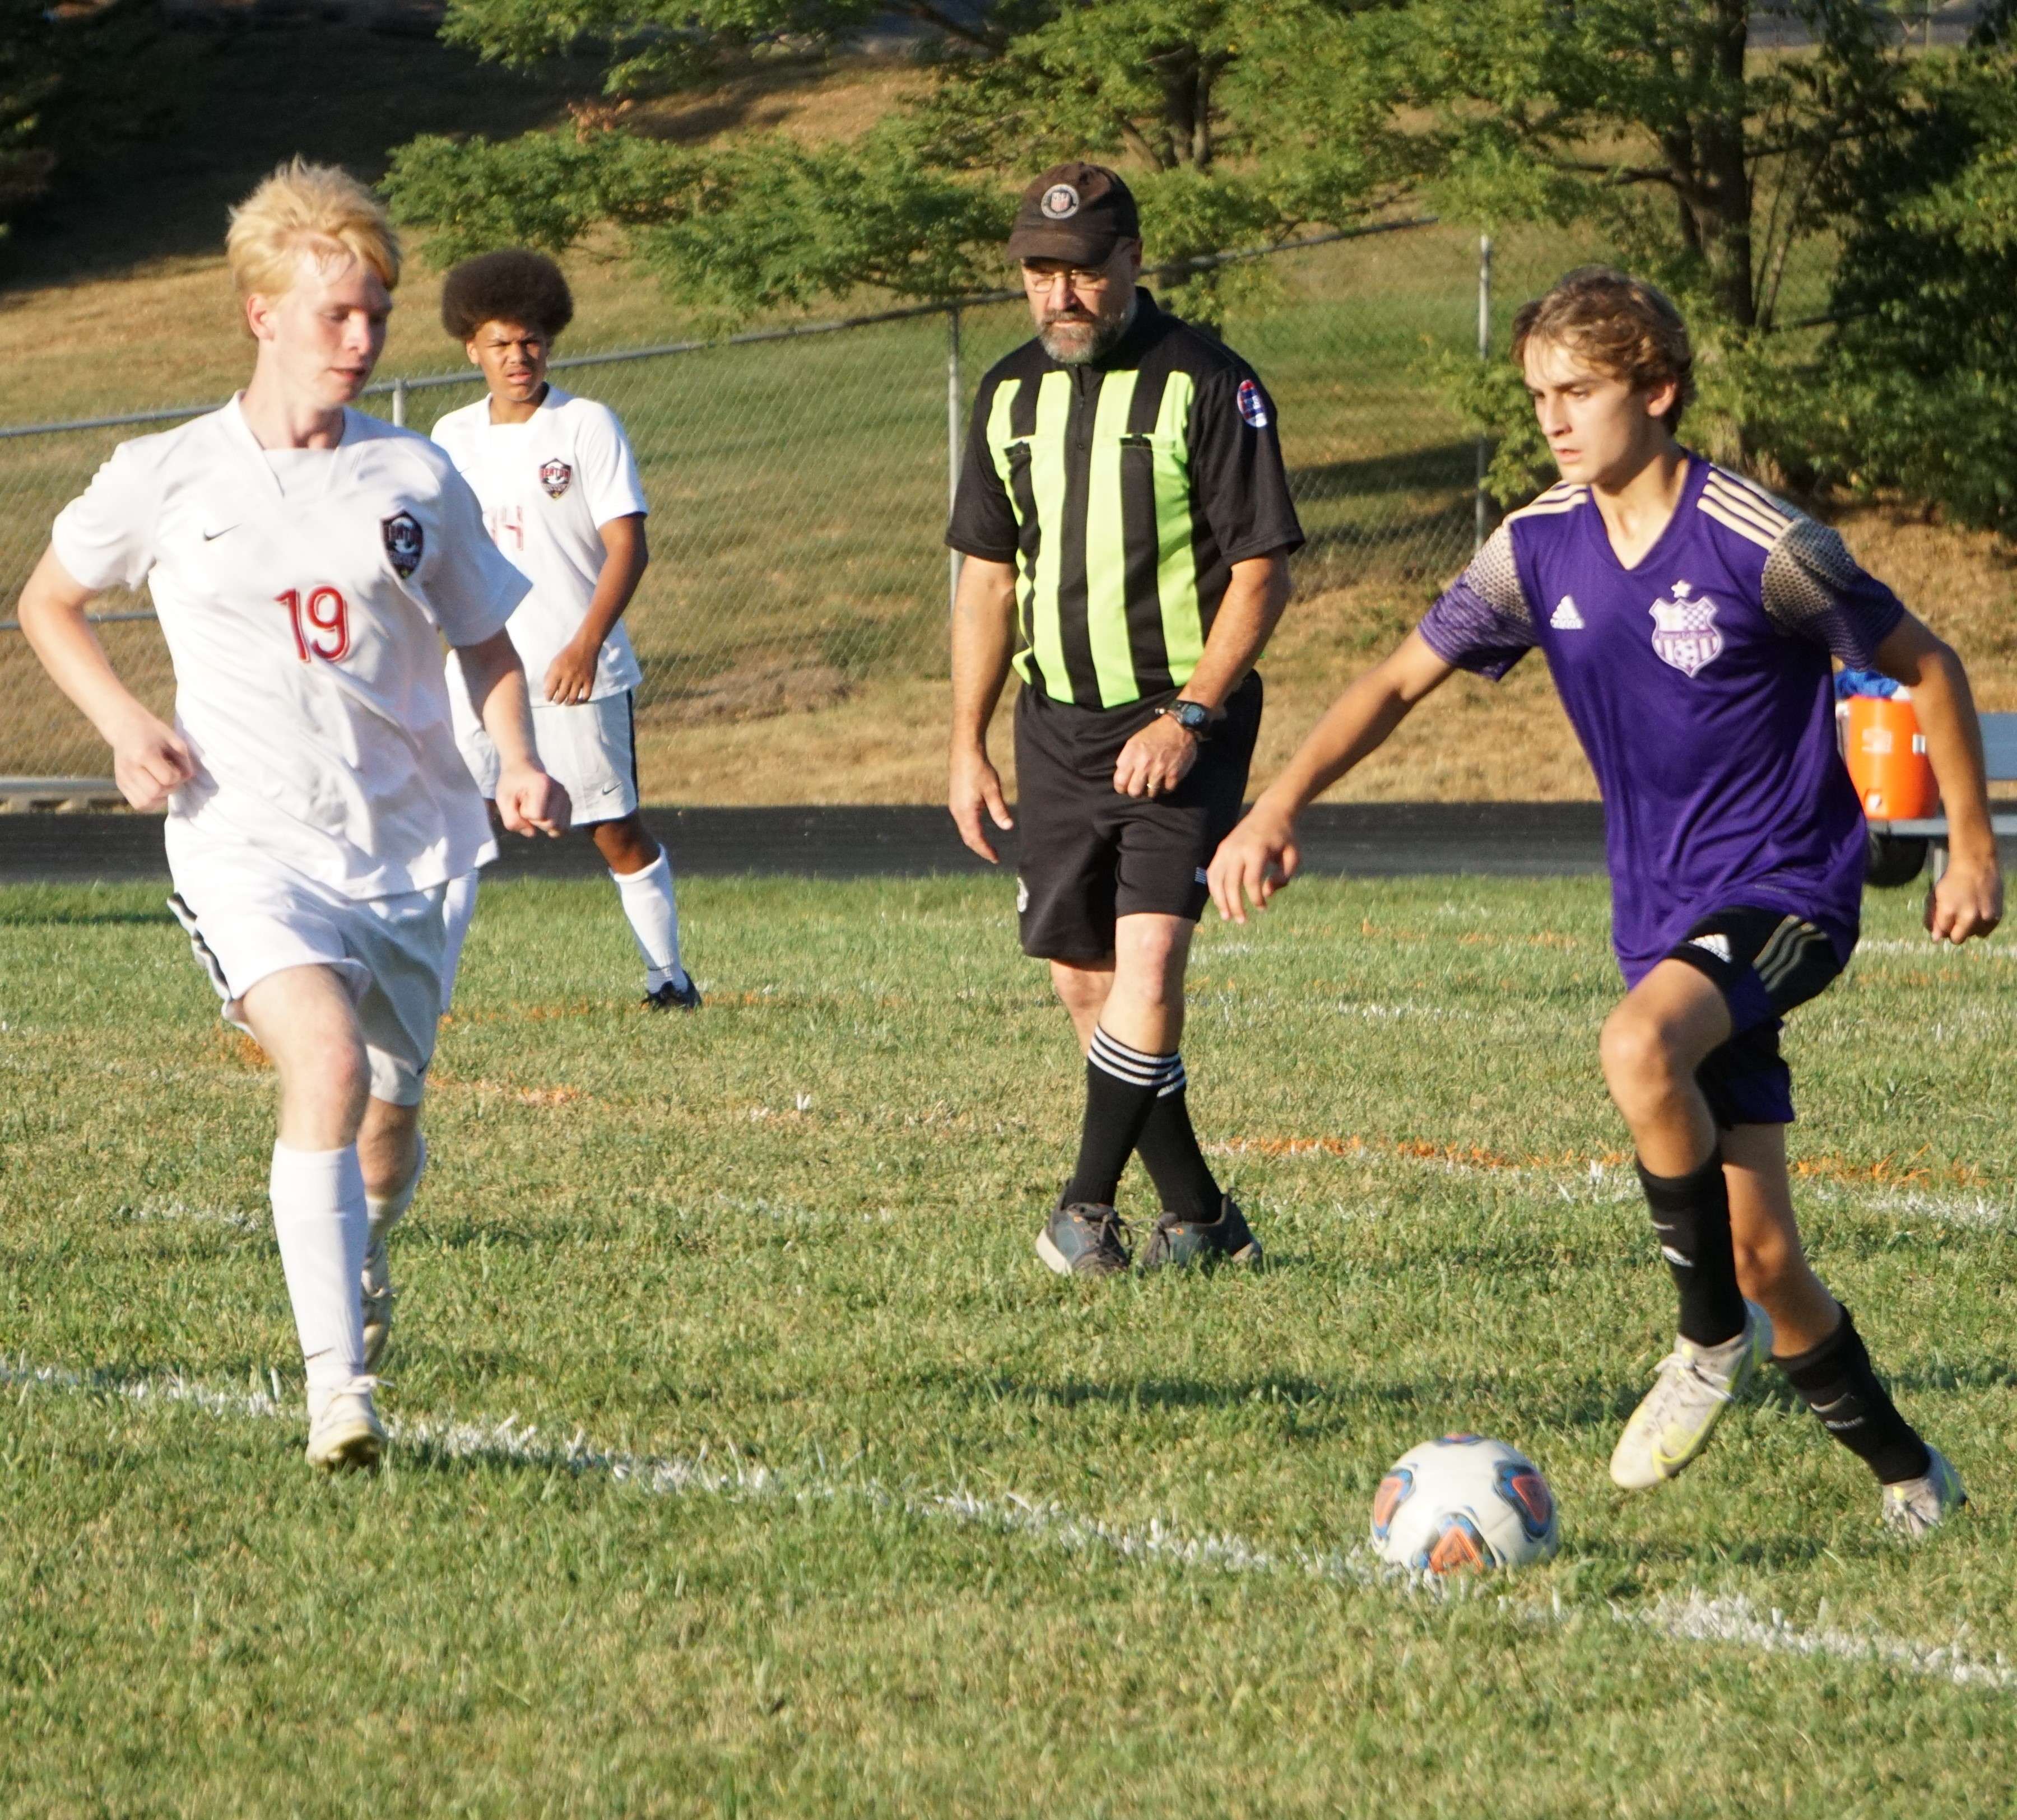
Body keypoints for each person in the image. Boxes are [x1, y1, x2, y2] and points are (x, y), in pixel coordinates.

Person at [1209, 267, 2002, 1538]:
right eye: (1538, 397)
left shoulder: (1759, 540)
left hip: (1791, 887)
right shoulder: (1536, 548)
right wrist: (1277, 802)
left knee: (1638, 1046)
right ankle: (1917, 1478)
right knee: (1767, 1257)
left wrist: (1969, 845)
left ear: (1660, 389)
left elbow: (1927, 662)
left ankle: (1700, 1344)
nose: (1556, 420)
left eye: (1578, 391)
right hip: (1663, 917)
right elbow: (1400, 679)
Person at [17, 161, 568, 1472]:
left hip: (415, 844)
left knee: (387, 1111)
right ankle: (339, 1388)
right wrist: (123, 723)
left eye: (374, 312)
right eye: (335, 314)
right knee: (317, 1062)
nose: (362, 339)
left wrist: (516, 756)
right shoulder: (166, 473)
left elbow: (487, 641)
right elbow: (50, 600)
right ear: (261, 314)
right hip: (243, 839)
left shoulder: (414, 473)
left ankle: (356, 1257)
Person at [946, 161, 1304, 1276]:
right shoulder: (1006, 396)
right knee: (1085, 982)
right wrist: (963, 740)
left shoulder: (1210, 384)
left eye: (1082, 272)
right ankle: (1201, 1219)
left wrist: (1191, 714)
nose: (1059, 294)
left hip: (1179, 722)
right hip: (1054, 726)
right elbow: (987, 579)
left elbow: (1262, 574)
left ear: (1132, 262)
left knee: (1147, 974)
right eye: (1038, 273)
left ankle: (1083, 1211)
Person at [433, 250, 698, 1013]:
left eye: (532, 342)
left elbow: (628, 545)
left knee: (611, 828)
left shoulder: (586, 426)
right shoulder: (450, 435)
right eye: (501, 343)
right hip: (480, 674)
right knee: (456, 833)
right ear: (471, 349)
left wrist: (585, 643)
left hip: (575, 669)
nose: (518, 358)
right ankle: (434, 998)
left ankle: (668, 978)